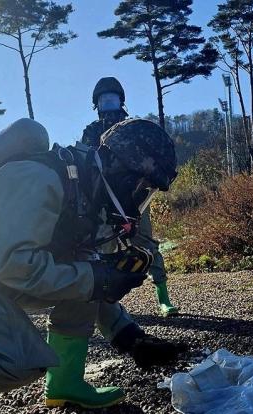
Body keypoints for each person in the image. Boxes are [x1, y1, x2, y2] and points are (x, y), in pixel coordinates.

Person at [0, 118, 179, 413]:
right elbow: (18, 265)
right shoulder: (40, 177)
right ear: (122, 172)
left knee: (88, 275)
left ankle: (65, 383)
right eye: (143, 189)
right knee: (19, 361)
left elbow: (85, 274)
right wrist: (99, 278)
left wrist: (130, 337)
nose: (140, 200)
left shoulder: (87, 195)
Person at [82, 77, 179, 317]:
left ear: (121, 101)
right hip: (101, 197)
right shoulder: (91, 131)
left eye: (112, 99)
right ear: (97, 104)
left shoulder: (134, 127)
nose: (108, 103)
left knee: (144, 241)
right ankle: (105, 302)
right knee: (101, 246)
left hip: (133, 197)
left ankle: (163, 298)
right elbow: (84, 160)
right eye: (104, 100)